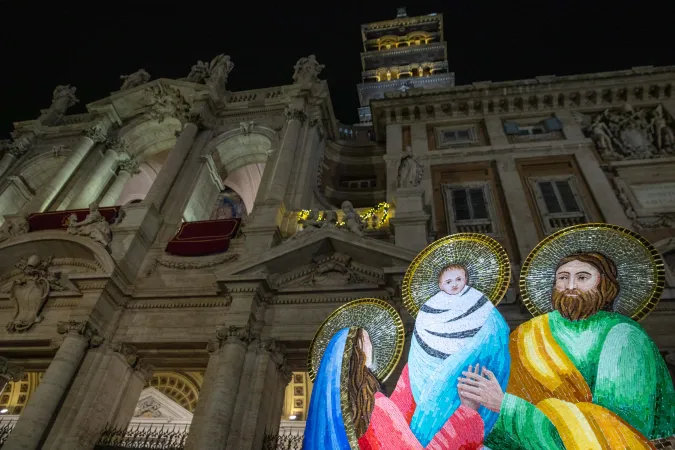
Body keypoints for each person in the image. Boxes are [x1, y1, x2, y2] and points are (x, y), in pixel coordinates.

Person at [460, 251, 675, 449]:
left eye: (582, 277)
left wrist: (507, 407)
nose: (570, 285)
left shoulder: (623, 335)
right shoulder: (528, 334)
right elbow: (498, 416)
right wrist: (476, 407)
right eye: (563, 278)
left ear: (605, 285)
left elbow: (616, 428)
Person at [303, 327, 485, 450]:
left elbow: (395, 417)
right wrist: (466, 413)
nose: (371, 346)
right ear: (357, 351)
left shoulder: (335, 416)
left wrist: (413, 370)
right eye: (367, 340)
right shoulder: (374, 407)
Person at [407, 264, 510, 446]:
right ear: (440, 285)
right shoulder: (428, 309)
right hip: (438, 378)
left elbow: (496, 336)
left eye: (458, 279)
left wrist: (471, 353)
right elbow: (420, 353)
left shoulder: (481, 302)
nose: (454, 284)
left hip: (475, 374)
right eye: (448, 281)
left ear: (466, 279)